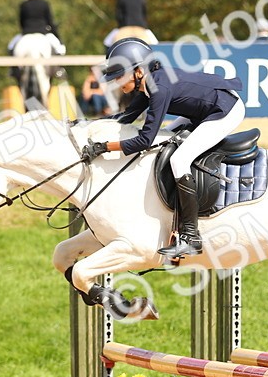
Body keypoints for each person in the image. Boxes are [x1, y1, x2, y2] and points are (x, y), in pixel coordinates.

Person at [80, 38, 245, 258]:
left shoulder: (159, 89)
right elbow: (125, 118)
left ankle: (191, 237)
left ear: (138, 71)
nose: (117, 82)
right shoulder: (148, 84)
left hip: (225, 110)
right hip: (202, 110)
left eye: (120, 76)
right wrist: (86, 124)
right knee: (166, 136)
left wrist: (105, 147)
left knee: (179, 160)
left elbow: (144, 141)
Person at [13, 0, 66, 105]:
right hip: (43, 34)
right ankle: (59, 69)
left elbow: (21, 22)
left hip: (25, 34)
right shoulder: (44, 4)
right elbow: (50, 22)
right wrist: (58, 37)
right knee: (60, 48)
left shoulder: (23, 5)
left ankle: (13, 69)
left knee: (11, 46)